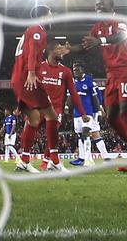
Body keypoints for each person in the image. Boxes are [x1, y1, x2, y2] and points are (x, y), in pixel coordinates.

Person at [80, 0, 127, 163]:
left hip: (126, 71)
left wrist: (100, 41)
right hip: (111, 74)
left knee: (126, 110)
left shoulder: (119, 21)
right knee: (110, 117)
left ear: (111, 6)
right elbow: (87, 44)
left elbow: (121, 37)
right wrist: (67, 49)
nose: (97, 7)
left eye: (100, 4)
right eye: (96, 5)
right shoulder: (97, 27)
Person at [11, 6, 53, 173]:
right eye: (50, 15)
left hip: (20, 77)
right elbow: (33, 53)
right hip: (25, 77)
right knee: (46, 116)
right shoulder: (38, 30)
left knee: (35, 119)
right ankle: (38, 159)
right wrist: (31, 73)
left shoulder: (31, 29)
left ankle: (24, 160)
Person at [36, 41, 90, 171]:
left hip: (56, 110)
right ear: (50, 52)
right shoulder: (39, 68)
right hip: (38, 107)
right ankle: (24, 160)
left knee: (52, 134)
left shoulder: (65, 71)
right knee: (31, 130)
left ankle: (47, 161)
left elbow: (74, 94)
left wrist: (82, 113)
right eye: (59, 49)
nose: (62, 52)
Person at [68, 62, 108, 166]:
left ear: (83, 70)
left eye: (77, 69)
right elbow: (70, 97)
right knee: (90, 135)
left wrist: (99, 109)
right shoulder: (72, 82)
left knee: (87, 133)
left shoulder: (89, 81)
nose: (75, 71)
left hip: (89, 112)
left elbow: (97, 96)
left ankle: (87, 159)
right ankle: (103, 158)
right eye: (74, 69)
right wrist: (67, 107)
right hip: (77, 113)